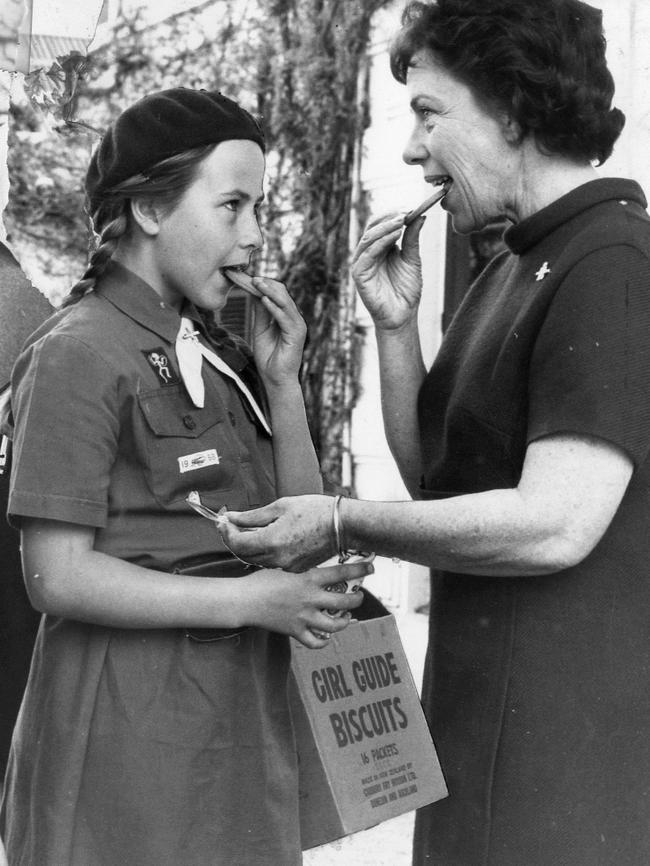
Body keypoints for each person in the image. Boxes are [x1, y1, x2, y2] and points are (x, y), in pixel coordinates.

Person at [219, 1, 650, 863]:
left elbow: (557, 521)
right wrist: (393, 330)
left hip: (565, 754)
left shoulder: (610, 262)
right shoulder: (515, 260)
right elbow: (443, 489)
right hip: (479, 723)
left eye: (429, 113)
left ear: (514, 109)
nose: (412, 149)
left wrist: (340, 517)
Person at [0, 87, 371, 866]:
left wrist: (282, 382)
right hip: (128, 735)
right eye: (232, 206)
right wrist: (250, 598)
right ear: (149, 211)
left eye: (258, 209)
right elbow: (56, 576)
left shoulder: (202, 349)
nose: (255, 235)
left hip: (229, 718)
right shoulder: (78, 350)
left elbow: (291, 531)